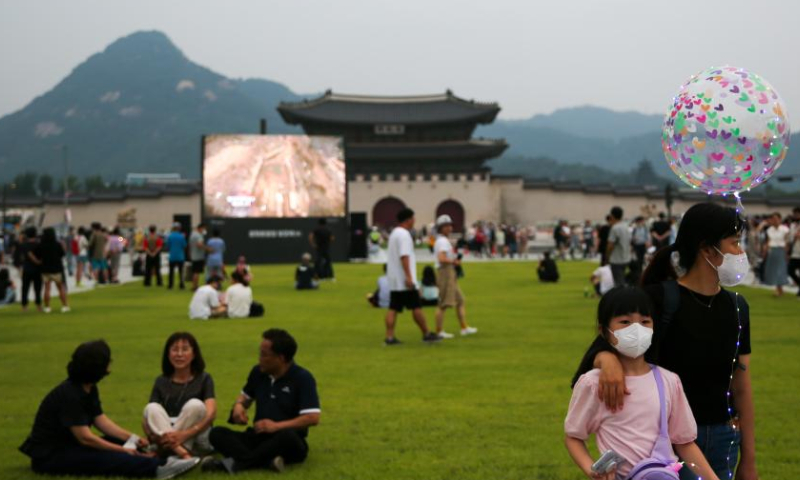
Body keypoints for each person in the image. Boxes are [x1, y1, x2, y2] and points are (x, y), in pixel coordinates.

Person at [592, 202, 757, 480]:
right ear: (707, 249)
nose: (740, 253)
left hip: (722, 437)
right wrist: (607, 361)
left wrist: (749, 459)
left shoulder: (737, 306)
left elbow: (740, 384)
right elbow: (603, 347)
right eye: (735, 243)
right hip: (665, 438)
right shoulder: (658, 299)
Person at [565, 287, 720, 480]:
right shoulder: (593, 383)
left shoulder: (669, 381)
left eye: (645, 321)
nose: (637, 328)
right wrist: (592, 470)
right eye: (625, 322)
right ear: (604, 331)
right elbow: (574, 436)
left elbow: (685, 443)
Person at [18, 340, 200, 478]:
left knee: (119, 443)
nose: (110, 364)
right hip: (52, 456)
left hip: (71, 445)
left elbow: (101, 421)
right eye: (107, 361)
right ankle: (158, 469)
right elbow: (86, 438)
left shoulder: (88, 387)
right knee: (107, 457)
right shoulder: (70, 394)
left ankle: (153, 457)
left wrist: (133, 439)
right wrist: (123, 450)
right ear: (97, 366)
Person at [205, 329, 320, 474]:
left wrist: (276, 426)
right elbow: (245, 397)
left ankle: (228, 465)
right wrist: (239, 406)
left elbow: (312, 418)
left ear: (281, 358)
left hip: (286, 441)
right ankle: (267, 462)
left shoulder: (303, 378)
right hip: (258, 437)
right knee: (216, 433)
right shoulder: (258, 372)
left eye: (264, 355)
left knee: (288, 436)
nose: (259, 358)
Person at [143, 332, 216, 459]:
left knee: (196, 405)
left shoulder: (204, 378)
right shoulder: (161, 381)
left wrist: (186, 434)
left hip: (197, 436)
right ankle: (182, 454)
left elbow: (211, 413)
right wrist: (152, 436)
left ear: (194, 354)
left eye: (185, 349)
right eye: (175, 349)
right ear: (168, 354)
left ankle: (166, 451)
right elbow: (147, 419)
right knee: (151, 407)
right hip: (167, 432)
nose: (179, 354)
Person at [383, 208, 441, 345]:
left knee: (393, 308)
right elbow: (404, 256)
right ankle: (426, 333)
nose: (414, 221)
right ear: (408, 220)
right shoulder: (404, 235)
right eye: (413, 218)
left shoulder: (394, 234)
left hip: (394, 278)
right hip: (404, 279)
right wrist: (409, 277)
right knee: (416, 306)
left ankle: (389, 336)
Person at [433, 214, 477, 339]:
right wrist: (453, 262)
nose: (449, 228)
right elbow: (441, 258)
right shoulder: (442, 241)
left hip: (449, 272)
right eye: (445, 226)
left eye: (449, 225)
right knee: (443, 304)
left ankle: (464, 327)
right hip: (445, 272)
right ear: (440, 228)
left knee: (460, 300)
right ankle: (439, 331)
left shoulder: (444, 240)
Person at [31, 227, 70, 313]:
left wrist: (37, 261)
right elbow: (62, 254)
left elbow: (35, 254)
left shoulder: (41, 245)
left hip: (45, 269)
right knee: (60, 288)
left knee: (47, 288)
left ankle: (47, 307)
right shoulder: (57, 244)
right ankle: (65, 306)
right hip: (56, 268)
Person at [760, 212, 790, 297]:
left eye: (776, 219)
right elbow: (768, 242)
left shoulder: (785, 229)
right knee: (773, 270)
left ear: (780, 219)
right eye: (773, 219)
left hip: (781, 251)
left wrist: (787, 253)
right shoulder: (769, 230)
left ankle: (778, 290)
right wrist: (764, 252)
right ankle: (779, 289)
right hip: (772, 251)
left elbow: (787, 242)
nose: (774, 221)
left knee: (780, 270)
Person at [606, 206, 631, 287]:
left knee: (619, 284)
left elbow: (610, 245)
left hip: (616, 259)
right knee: (622, 280)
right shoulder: (626, 226)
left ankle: (623, 298)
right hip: (625, 258)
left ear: (612, 216)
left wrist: (607, 256)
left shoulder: (615, 228)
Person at [20, 226, 43, 312]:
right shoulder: (39, 244)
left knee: (25, 288)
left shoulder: (23, 245)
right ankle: (38, 305)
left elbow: (21, 258)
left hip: (27, 268)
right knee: (38, 288)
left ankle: (24, 306)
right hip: (38, 269)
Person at [166, 223, 187, 290]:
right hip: (180, 256)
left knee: (171, 271)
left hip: (172, 256)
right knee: (181, 271)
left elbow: (168, 246)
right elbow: (184, 245)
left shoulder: (170, 236)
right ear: (179, 228)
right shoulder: (181, 236)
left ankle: (170, 285)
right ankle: (181, 284)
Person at [188, 223, 207, 291]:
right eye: (203, 228)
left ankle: (194, 285)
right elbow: (199, 245)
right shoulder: (199, 236)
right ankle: (195, 286)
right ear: (200, 228)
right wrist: (207, 248)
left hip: (193, 255)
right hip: (198, 256)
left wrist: (190, 254)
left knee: (194, 272)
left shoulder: (192, 235)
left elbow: (190, 246)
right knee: (197, 272)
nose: (204, 230)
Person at [789, 207, 800, 296]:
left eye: (797, 214)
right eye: (795, 214)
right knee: (790, 270)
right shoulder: (792, 225)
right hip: (794, 252)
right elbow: (790, 238)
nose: (795, 216)